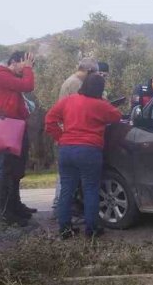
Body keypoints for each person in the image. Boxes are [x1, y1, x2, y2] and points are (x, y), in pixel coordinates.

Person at [45, 74, 122, 238]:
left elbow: (50, 119)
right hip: (89, 151)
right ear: (100, 89)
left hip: (66, 150)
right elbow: (117, 116)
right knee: (91, 189)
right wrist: (104, 102)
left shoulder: (69, 100)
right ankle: (91, 229)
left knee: (67, 190)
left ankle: (65, 229)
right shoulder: (101, 105)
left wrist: (60, 137)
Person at [0, 51, 37, 226]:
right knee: (5, 169)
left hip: (16, 125)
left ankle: (15, 205)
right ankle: (4, 210)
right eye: (24, 64)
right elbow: (28, 85)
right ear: (14, 62)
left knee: (16, 168)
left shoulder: (8, 77)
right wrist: (28, 70)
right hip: (7, 126)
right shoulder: (1, 75)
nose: (26, 68)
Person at [52, 57, 98, 218]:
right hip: (75, 138)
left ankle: (63, 220)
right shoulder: (76, 84)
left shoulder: (70, 81)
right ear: (89, 71)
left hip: (67, 139)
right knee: (76, 184)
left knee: (67, 181)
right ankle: (65, 209)